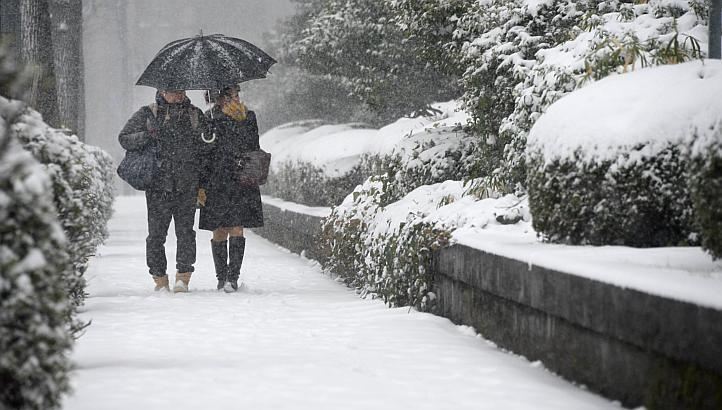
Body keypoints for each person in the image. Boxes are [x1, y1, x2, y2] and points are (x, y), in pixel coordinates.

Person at [118, 89, 211, 292]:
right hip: (158, 185)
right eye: (173, 91)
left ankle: (183, 277)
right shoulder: (147, 114)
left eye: (181, 91)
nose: (178, 95)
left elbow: (206, 152)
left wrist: (202, 183)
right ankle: (159, 279)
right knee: (156, 235)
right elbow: (125, 138)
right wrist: (149, 134)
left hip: (187, 184)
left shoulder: (195, 115)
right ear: (161, 91)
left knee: (185, 233)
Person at [198, 85, 264, 293]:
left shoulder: (248, 117)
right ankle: (221, 276)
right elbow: (204, 152)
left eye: (237, 95)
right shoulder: (209, 119)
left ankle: (232, 278)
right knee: (219, 230)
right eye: (230, 95)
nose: (235, 99)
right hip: (215, 181)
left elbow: (253, 145)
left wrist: (240, 124)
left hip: (240, 180)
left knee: (237, 227)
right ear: (218, 98)